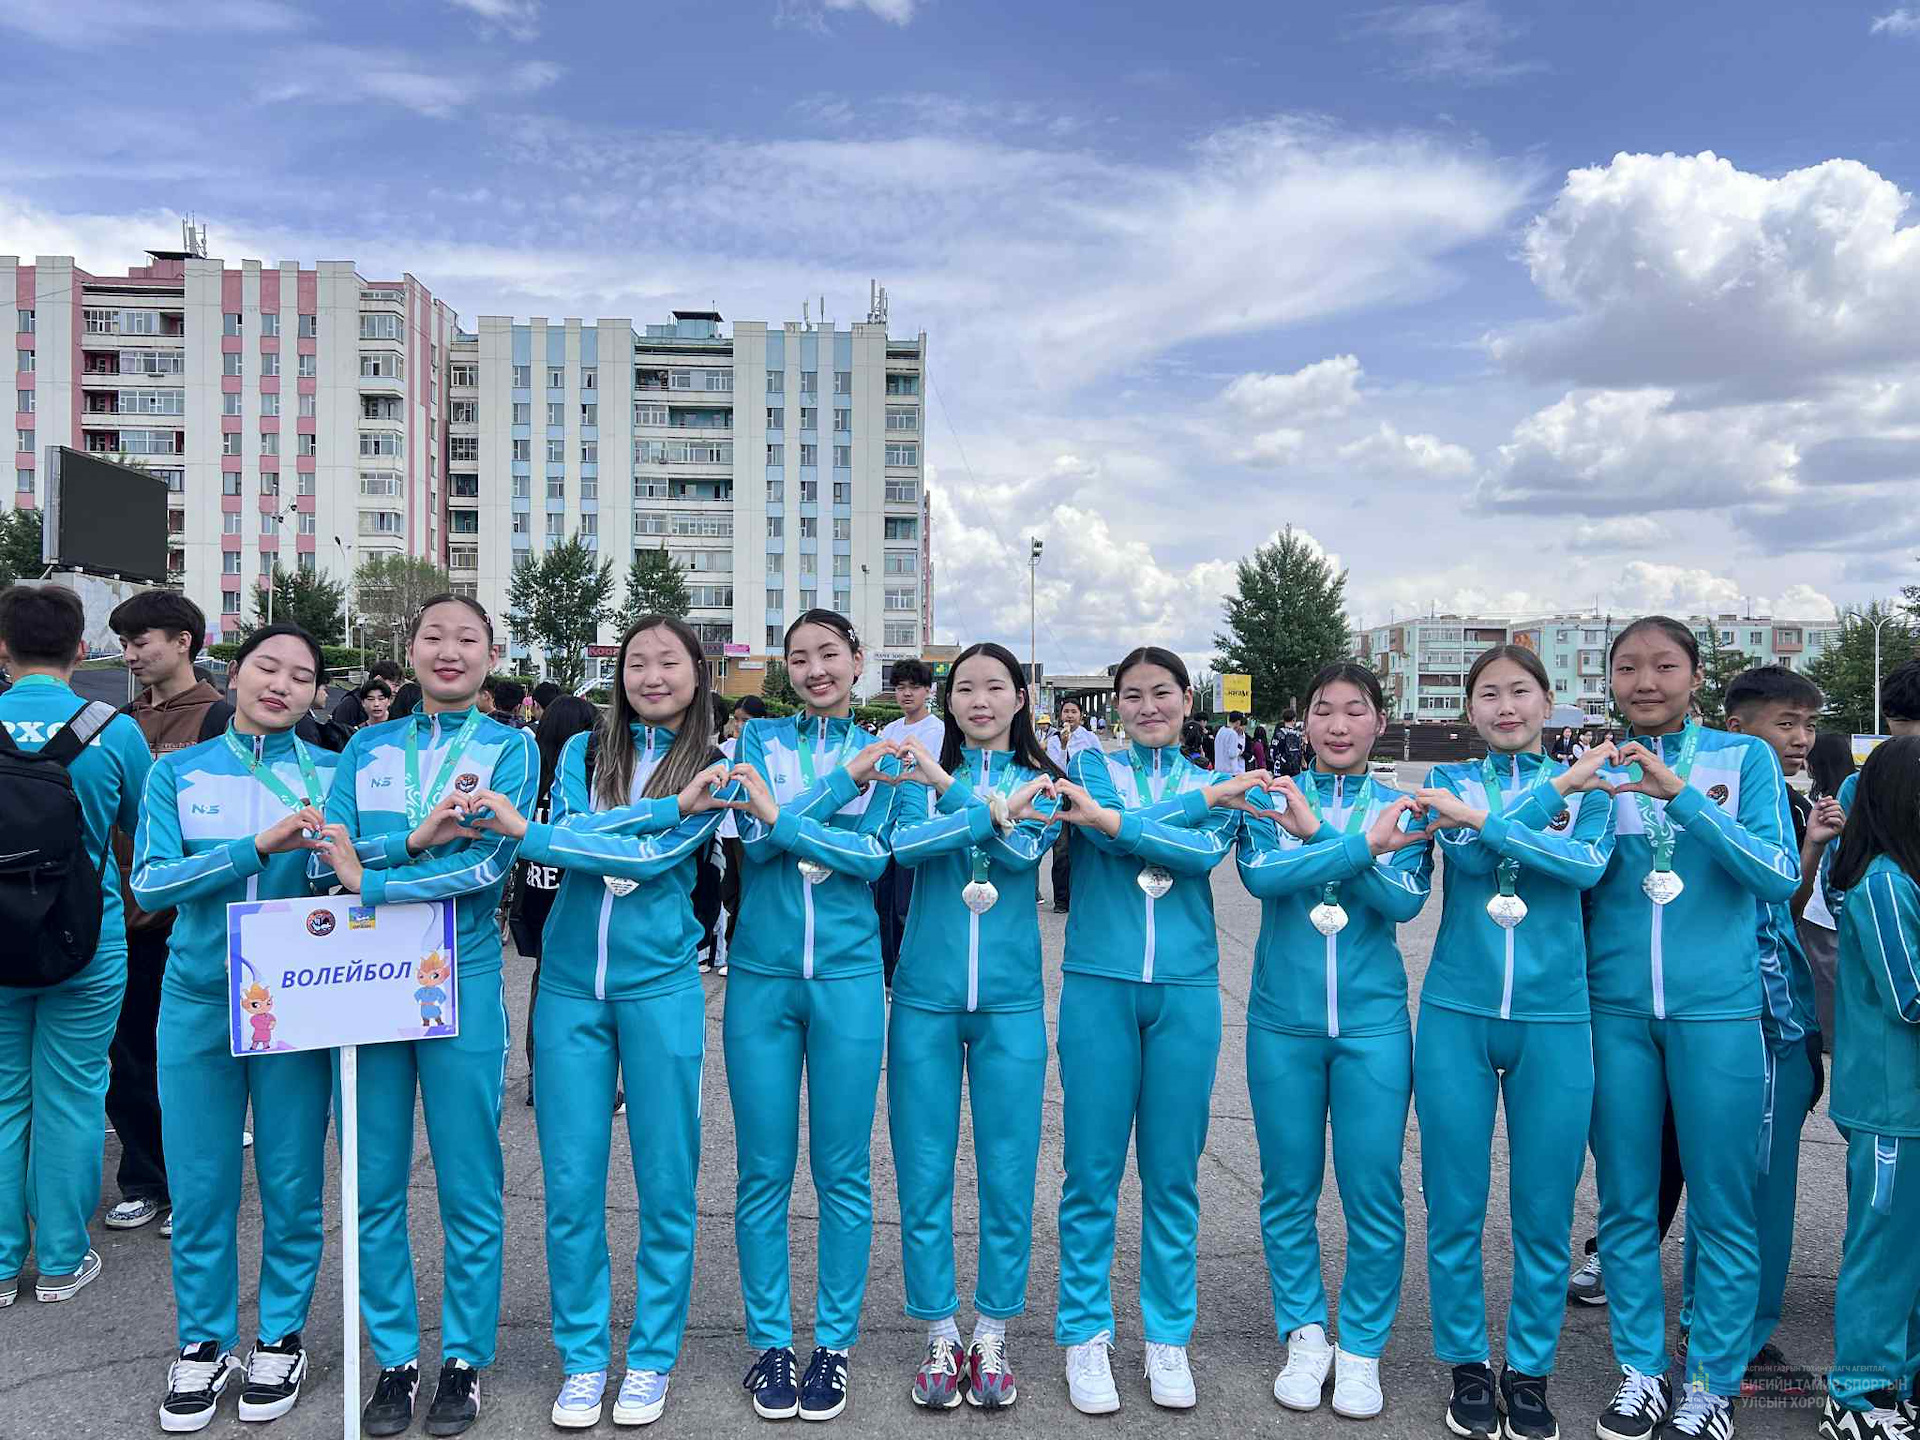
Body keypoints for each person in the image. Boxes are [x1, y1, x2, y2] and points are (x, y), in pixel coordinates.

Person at [462, 616, 738, 1430]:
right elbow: (571, 844)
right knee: (572, 1185)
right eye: (636, 662)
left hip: (661, 988)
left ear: (697, 673)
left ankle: (650, 1357)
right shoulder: (586, 750)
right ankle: (583, 1356)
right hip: (570, 989)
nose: (652, 676)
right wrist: (605, 824)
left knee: (666, 1182)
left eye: (668, 662)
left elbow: (648, 860)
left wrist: (544, 833)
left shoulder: (717, 764)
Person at [310, 594, 537, 1438]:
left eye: (467, 639)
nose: (449, 651)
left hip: (460, 974)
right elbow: (320, 864)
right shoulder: (365, 745)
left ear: (490, 655)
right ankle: (396, 1359)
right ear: (409, 650)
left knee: (468, 1180)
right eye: (433, 636)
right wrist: (407, 845)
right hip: (365, 977)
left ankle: (464, 1359)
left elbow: (487, 867)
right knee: (372, 1182)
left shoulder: (511, 747)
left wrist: (368, 877)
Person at [1583, 616, 1798, 1440]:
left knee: (1722, 1205)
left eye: (1664, 665)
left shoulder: (1742, 759)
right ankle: (1641, 1371)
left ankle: (1710, 1384)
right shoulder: (1597, 767)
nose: (1645, 682)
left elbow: (1777, 875)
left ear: (1696, 676)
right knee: (1626, 1203)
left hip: (1719, 1012)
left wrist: (1682, 801)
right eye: (1627, 667)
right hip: (1616, 1012)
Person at [130, 623, 340, 1431]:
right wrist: (256, 847)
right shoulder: (177, 772)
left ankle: (280, 1335)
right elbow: (152, 883)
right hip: (198, 999)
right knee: (201, 1181)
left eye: (301, 675)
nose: (281, 684)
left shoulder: (332, 774)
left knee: (291, 1180)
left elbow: (359, 872)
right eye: (267, 667)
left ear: (316, 692)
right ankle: (202, 1342)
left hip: (297, 1001)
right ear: (236, 674)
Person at [1051, 646, 1263, 1415]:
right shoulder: (1092, 765)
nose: (1148, 707)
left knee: (1173, 1175)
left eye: (1163, 693)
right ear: (1115, 705)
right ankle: (1085, 1333)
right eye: (1133, 695)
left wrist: (1177, 808)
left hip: (1185, 991)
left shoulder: (1213, 784)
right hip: (1098, 987)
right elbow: (1107, 836)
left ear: (1186, 701)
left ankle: (1168, 1335)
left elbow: (1197, 853)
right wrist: (1197, 802)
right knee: (1091, 1173)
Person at [1410, 645, 1615, 1440]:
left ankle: (1529, 1370)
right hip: (1456, 1013)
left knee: (1543, 1207)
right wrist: (1550, 792)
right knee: (1454, 1201)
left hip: (1556, 1018)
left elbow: (1583, 867)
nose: (1506, 707)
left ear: (1548, 701)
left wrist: (1527, 805)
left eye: (1520, 691)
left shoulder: (1592, 787)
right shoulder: (1449, 782)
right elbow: (1465, 857)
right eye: (1489, 694)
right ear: (1469, 710)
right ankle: (1467, 1362)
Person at [1235, 662, 1432, 1422]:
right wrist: (1357, 847)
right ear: (1304, 720)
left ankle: (1362, 1347)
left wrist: (1324, 840)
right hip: (1281, 1022)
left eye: (1355, 710)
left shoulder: (1402, 806)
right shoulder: (1270, 797)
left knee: (1372, 1189)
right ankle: (1305, 1333)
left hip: (1373, 1026)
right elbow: (1264, 878)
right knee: (1288, 1187)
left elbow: (1401, 902)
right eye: (1324, 710)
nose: (1339, 724)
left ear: (1380, 720)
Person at [726, 610, 903, 1423]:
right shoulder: (757, 739)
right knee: (763, 1171)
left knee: (843, 1170)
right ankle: (771, 1343)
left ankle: (833, 1344)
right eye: (798, 658)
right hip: (761, 978)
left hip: (848, 977)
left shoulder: (886, 754)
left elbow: (870, 858)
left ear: (858, 660)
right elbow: (755, 844)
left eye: (829, 653)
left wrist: (788, 813)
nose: (814, 669)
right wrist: (837, 789)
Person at [884, 642, 1062, 1410]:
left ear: (1021, 698)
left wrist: (955, 792)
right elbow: (905, 847)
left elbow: (1021, 853)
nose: (979, 701)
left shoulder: (1043, 781)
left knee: (1007, 1175)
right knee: (923, 1173)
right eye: (965, 688)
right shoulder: (913, 777)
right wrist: (974, 805)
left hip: (1011, 1004)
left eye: (995, 687)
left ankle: (991, 1333)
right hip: (924, 999)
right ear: (947, 700)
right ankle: (939, 1332)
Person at [0, 583, 152, 1306]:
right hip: (87, 938)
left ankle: (2, 1264)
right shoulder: (113, 730)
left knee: (5, 1094)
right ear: (81, 649)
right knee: (73, 1093)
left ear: (3, 648)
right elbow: (150, 831)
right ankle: (61, 1258)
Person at [1699, 664, 1829, 1396]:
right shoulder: (1719, 795)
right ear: (1738, 729)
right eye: (1786, 724)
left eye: (1809, 725)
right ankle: (1736, 1342)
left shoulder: (1787, 797)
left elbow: (1785, 906)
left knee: (1733, 1186)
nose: (1801, 738)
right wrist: (1787, 1029)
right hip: (1757, 1020)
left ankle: (1717, 1327)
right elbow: (1760, 916)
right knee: (1753, 1189)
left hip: (1768, 1014)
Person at [103, 590, 229, 1240]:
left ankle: (190, 1186)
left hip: (189, 924)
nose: (130, 654)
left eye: (140, 641)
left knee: (187, 1063)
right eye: (124, 643)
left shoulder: (219, 718)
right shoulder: (119, 723)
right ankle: (144, 1179)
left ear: (183, 641)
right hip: (121, 917)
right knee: (127, 1059)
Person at [1820, 735, 1920, 1440]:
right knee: (1883, 1255)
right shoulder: (1883, 882)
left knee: (1908, 1255)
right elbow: (1908, 997)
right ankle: (1857, 1396)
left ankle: (1899, 1384)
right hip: (1892, 1105)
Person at [507, 695, 599, 1106]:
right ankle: (579, 1078)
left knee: (543, 981)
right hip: (574, 893)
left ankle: (538, 1075)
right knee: (578, 989)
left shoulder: (531, 776)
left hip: (535, 892)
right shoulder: (581, 776)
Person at [873, 658, 942, 989]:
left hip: (917, 826)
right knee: (881, 900)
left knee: (907, 904)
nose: (906, 694)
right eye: (900, 687)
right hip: (886, 823)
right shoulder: (889, 730)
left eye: (914, 687)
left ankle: (909, 972)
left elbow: (932, 775)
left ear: (928, 690)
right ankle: (886, 971)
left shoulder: (937, 730)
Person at [1798, 729, 1857, 1045]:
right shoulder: (1857, 796)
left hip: (1818, 907)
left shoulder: (1820, 805)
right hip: (1846, 904)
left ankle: (1832, 1040)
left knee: (1824, 978)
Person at [1042, 699, 1100, 913]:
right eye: (1066, 711)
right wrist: (1064, 746)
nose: (1069, 715)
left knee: (1086, 845)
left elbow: (1100, 765)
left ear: (1081, 716)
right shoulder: (1054, 740)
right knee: (1061, 848)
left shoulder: (1090, 738)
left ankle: (1084, 896)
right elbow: (1054, 768)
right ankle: (1062, 900)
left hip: (1084, 795)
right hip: (1061, 797)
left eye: (1073, 711)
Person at [332, 659, 403, 731]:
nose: (396, 690)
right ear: (378, 679)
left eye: (381, 699)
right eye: (394, 685)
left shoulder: (394, 706)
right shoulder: (349, 705)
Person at [1214, 711, 1247, 777]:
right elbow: (1232, 754)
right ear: (1238, 722)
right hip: (1229, 772)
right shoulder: (1233, 734)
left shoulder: (1221, 730)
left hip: (1218, 769)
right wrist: (1239, 751)